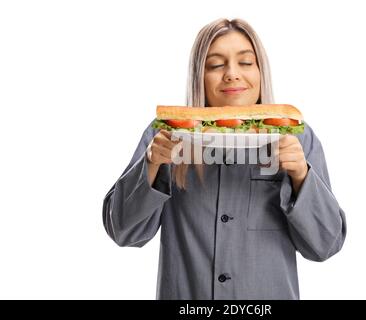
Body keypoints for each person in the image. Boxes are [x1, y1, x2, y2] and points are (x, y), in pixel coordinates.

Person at [103, 18, 346, 300]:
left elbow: (325, 245)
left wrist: (302, 176)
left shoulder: (295, 137)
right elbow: (123, 232)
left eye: (245, 62)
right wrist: (151, 165)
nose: (231, 74)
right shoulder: (166, 134)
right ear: (199, 76)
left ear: (260, 72)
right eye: (216, 65)